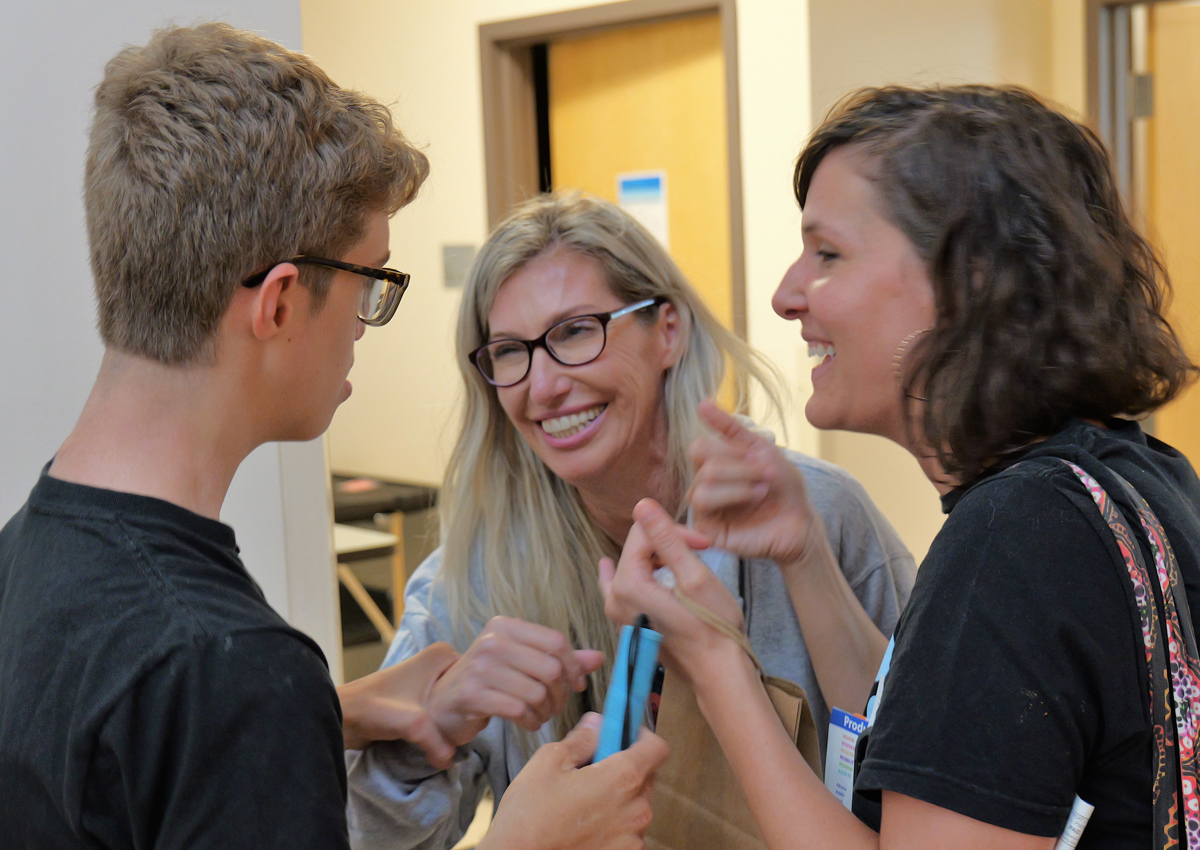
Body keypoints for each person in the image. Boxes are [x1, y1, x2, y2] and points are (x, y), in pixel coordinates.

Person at [0, 24, 667, 850]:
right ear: (279, 305)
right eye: (371, 282)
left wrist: (330, 711)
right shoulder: (230, 671)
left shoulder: (27, 555)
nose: (363, 325)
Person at [602, 84, 1200, 849]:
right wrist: (805, 552)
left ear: (971, 281)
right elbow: (944, 745)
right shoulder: (1123, 475)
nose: (788, 295)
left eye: (828, 254)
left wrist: (715, 663)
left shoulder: (1014, 537)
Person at [346, 190, 916, 849]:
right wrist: (432, 732)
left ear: (667, 331)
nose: (543, 384)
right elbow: (370, 842)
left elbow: (923, 786)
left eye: (576, 331)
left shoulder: (819, 518)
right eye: (509, 351)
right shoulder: (472, 579)